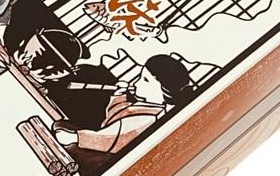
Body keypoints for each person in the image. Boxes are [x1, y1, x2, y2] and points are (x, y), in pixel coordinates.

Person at [53, 54, 195, 155]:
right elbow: (112, 119)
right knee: (61, 125)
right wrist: (119, 96)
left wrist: (75, 138)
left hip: (101, 152)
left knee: (66, 138)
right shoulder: (144, 106)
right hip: (100, 139)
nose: (136, 83)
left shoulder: (150, 119)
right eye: (140, 77)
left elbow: (115, 138)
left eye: (145, 80)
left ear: (165, 92)